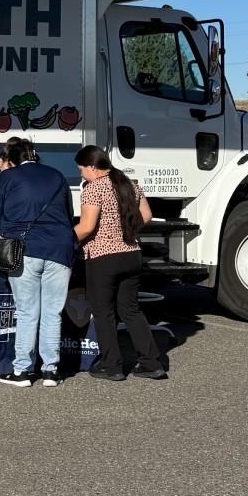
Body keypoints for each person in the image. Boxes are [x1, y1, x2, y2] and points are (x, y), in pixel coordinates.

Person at [0, 136, 75, 388]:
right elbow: (68, 214)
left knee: (27, 312)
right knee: (53, 311)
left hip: (23, 248)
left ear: (12, 159)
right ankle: (50, 371)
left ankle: (22, 371)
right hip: (60, 248)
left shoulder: (5, 177)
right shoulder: (57, 175)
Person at [73, 145, 166, 380]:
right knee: (131, 310)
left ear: (93, 167)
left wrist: (63, 240)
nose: (81, 174)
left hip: (103, 257)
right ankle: (151, 362)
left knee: (104, 312)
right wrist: (126, 233)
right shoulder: (129, 184)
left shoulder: (93, 190)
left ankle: (112, 366)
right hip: (131, 253)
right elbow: (146, 215)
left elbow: (86, 227)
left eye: (82, 169)